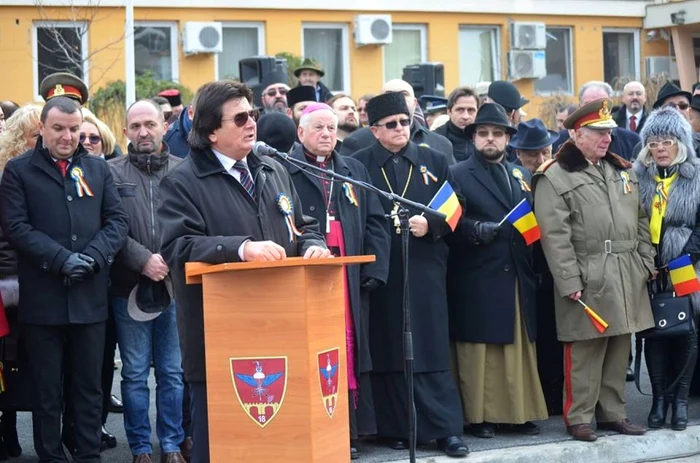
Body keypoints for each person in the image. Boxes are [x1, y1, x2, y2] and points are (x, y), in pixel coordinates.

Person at [157, 80, 328, 463]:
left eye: (254, 114)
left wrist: (314, 245)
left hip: (284, 334)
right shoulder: (182, 182)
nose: (251, 123)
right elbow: (177, 248)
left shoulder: (272, 170)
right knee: (222, 447)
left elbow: (304, 225)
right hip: (221, 342)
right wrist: (240, 248)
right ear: (210, 131)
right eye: (240, 118)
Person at [0, 96, 128, 461]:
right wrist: (60, 260)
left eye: (74, 129)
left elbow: (117, 222)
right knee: (47, 390)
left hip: (89, 297)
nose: (68, 137)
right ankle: (51, 455)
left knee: (89, 388)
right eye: (58, 128)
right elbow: (16, 227)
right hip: (43, 299)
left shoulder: (99, 170)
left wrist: (92, 257)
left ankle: (88, 454)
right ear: (42, 128)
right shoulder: (20, 171)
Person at [351, 92, 468, 457]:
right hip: (384, 269)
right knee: (388, 346)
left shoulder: (432, 158)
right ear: (374, 130)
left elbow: (455, 208)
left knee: (429, 345)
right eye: (392, 125)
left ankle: (445, 430)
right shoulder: (359, 165)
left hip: (424, 265)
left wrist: (430, 223)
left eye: (405, 122)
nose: (401, 129)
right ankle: (397, 427)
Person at [533, 98, 655, 442]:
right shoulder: (554, 176)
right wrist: (570, 280)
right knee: (586, 347)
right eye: (598, 132)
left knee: (619, 345)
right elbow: (555, 236)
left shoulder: (620, 169)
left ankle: (613, 413)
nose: (607, 138)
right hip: (588, 271)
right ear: (576, 134)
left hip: (626, 268)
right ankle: (579, 417)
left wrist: (644, 261)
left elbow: (641, 218)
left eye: (609, 132)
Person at [282, 103, 390, 459]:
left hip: (351, 269)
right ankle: (319, 426)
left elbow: (375, 221)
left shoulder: (353, 168)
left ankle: (349, 429)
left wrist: (376, 269)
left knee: (349, 346)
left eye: (331, 128)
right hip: (309, 270)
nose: (327, 134)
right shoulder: (284, 167)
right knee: (316, 345)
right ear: (301, 133)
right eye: (318, 128)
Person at [448, 103, 548, 439]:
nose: (490, 139)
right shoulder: (457, 172)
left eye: (497, 133)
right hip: (478, 275)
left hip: (517, 275)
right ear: (474, 137)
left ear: (508, 139)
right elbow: (448, 222)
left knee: (517, 348)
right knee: (481, 352)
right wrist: (475, 230)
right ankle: (480, 417)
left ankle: (517, 414)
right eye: (483, 133)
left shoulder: (521, 174)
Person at [110, 100, 186, 463]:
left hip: (175, 290)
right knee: (135, 374)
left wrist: (168, 261)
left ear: (164, 126)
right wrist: (142, 260)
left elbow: (192, 225)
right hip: (129, 288)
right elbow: (108, 228)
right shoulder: (110, 173)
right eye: (135, 125)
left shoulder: (184, 171)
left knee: (173, 372)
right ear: (125, 131)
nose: (143, 132)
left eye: (150, 124)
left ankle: (171, 444)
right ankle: (140, 447)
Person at [633, 106, 700, 431]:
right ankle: (659, 399)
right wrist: (648, 260)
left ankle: (680, 402)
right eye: (654, 143)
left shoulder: (696, 174)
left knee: (685, 333)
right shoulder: (637, 177)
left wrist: (683, 258)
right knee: (653, 334)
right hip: (649, 268)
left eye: (667, 141)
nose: (660, 148)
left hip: (688, 266)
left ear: (681, 144)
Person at [508, 118, 563, 414]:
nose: (541, 159)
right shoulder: (512, 178)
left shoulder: (558, 175)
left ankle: (555, 398)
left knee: (556, 337)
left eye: (545, 152)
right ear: (519, 154)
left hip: (556, 270)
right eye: (533, 154)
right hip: (524, 270)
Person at [340, 79, 455, 164]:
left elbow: (450, 190)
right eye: (389, 95)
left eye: (404, 95)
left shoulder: (441, 144)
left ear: (415, 103)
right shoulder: (357, 141)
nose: (396, 100)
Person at [552, 81, 641, 161]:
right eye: (589, 105)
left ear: (610, 108)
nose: (595, 111)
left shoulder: (631, 141)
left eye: (601, 106)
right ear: (579, 106)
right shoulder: (559, 140)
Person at [433, 87, 479, 162]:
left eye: (471, 110)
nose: (465, 116)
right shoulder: (435, 139)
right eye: (460, 110)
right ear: (449, 112)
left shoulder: (485, 139)